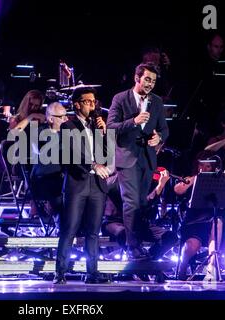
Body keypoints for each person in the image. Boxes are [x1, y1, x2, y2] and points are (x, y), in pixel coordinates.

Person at [107, 63, 169, 259]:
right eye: (147, 79)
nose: (150, 84)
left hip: (147, 159)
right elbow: (111, 127)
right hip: (127, 158)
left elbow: (165, 129)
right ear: (137, 78)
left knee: (141, 204)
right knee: (131, 202)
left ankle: (139, 243)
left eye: (153, 81)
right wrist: (133, 121)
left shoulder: (157, 102)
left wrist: (159, 138)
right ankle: (132, 245)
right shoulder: (120, 98)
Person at [53, 87, 110, 284]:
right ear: (77, 104)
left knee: (93, 231)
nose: (93, 105)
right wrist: (93, 164)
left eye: (94, 101)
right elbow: (72, 153)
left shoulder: (98, 126)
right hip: (77, 183)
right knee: (69, 228)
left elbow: (107, 155)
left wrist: (103, 133)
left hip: (97, 184)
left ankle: (92, 273)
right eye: (88, 101)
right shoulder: (69, 126)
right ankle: (60, 272)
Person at [102, 169, 178, 265]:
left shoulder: (142, 182)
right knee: (125, 234)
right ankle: (141, 259)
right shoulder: (112, 182)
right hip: (115, 223)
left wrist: (160, 185)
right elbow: (139, 204)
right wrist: (160, 186)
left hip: (139, 223)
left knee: (171, 237)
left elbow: (146, 203)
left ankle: (148, 260)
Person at [174, 151, 221, 281]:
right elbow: (178, 189)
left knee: (218, 222)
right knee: (192, 245)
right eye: (202, 165)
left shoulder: (216, 182)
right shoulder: (191, 178)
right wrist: (197, 177)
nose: (204, 169)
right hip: (193, 221)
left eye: (208, 167)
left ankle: (211, 268)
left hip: (210, 218)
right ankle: (182, 266)